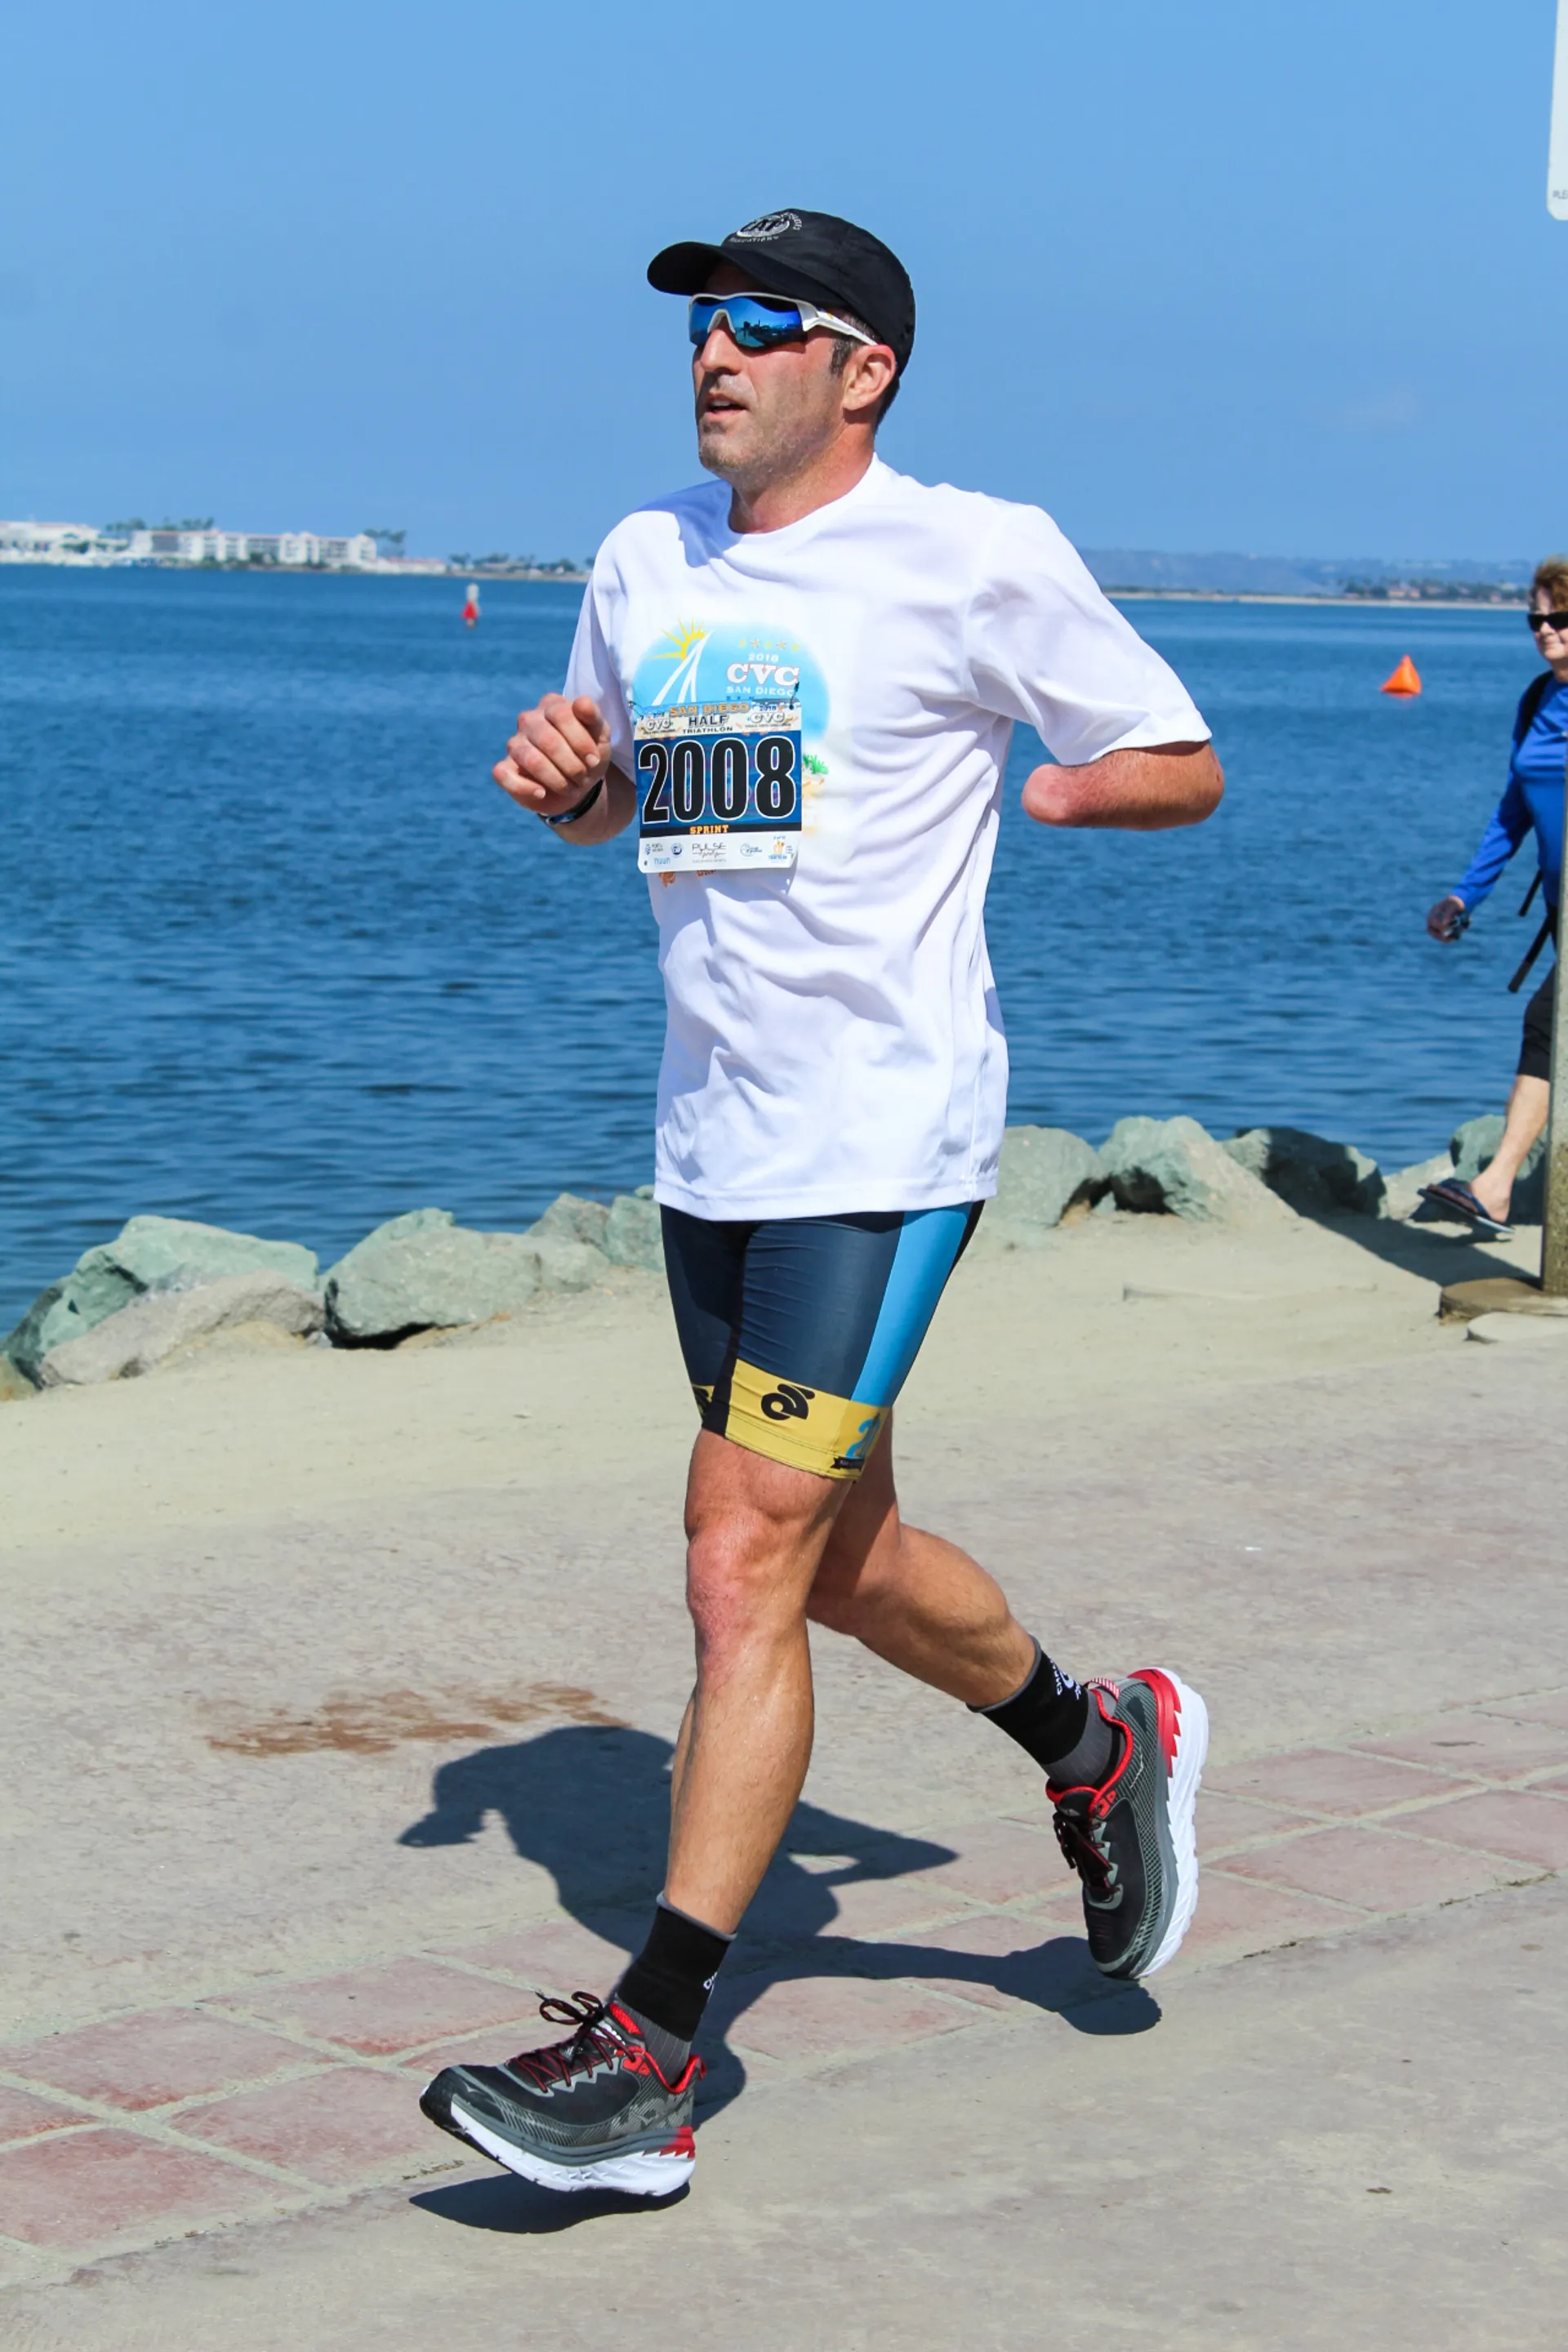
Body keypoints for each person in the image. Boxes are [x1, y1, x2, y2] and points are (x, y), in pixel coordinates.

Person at [420, 209, 1224, 2199]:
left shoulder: (974, 550)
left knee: (737, 1550)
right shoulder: (640, 561)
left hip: (883, 1139)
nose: (716, 354)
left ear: (860, 368)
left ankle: (654, 2055)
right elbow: (632, 793)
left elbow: (1179, 757)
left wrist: (1073, 790)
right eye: (703, 325)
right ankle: (1095, 1735)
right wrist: (570, 778)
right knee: (836, 1554)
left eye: (761, 325)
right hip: (714, 1147)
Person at [1423, 558, 1568, 1238]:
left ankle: (1498, 1186)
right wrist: (1466, 893)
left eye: (1559, 617)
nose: (1546, 630)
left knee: (1547, 1026)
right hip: (1560, 910)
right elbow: (1514, 808)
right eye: (1536, 618)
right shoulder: (1539, 698)